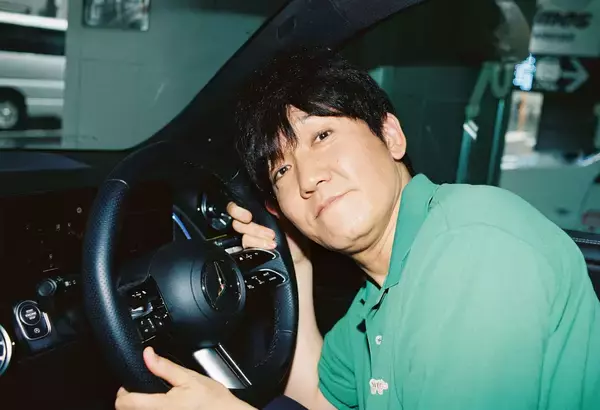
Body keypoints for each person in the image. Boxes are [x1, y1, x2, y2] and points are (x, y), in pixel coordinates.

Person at [115, 48, 600, 410]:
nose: (308, 178)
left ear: (391, 135)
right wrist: (294, 261)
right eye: (282, 170)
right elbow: (317, 399)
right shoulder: (379, 290)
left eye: (322, 135)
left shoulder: (472, 248)